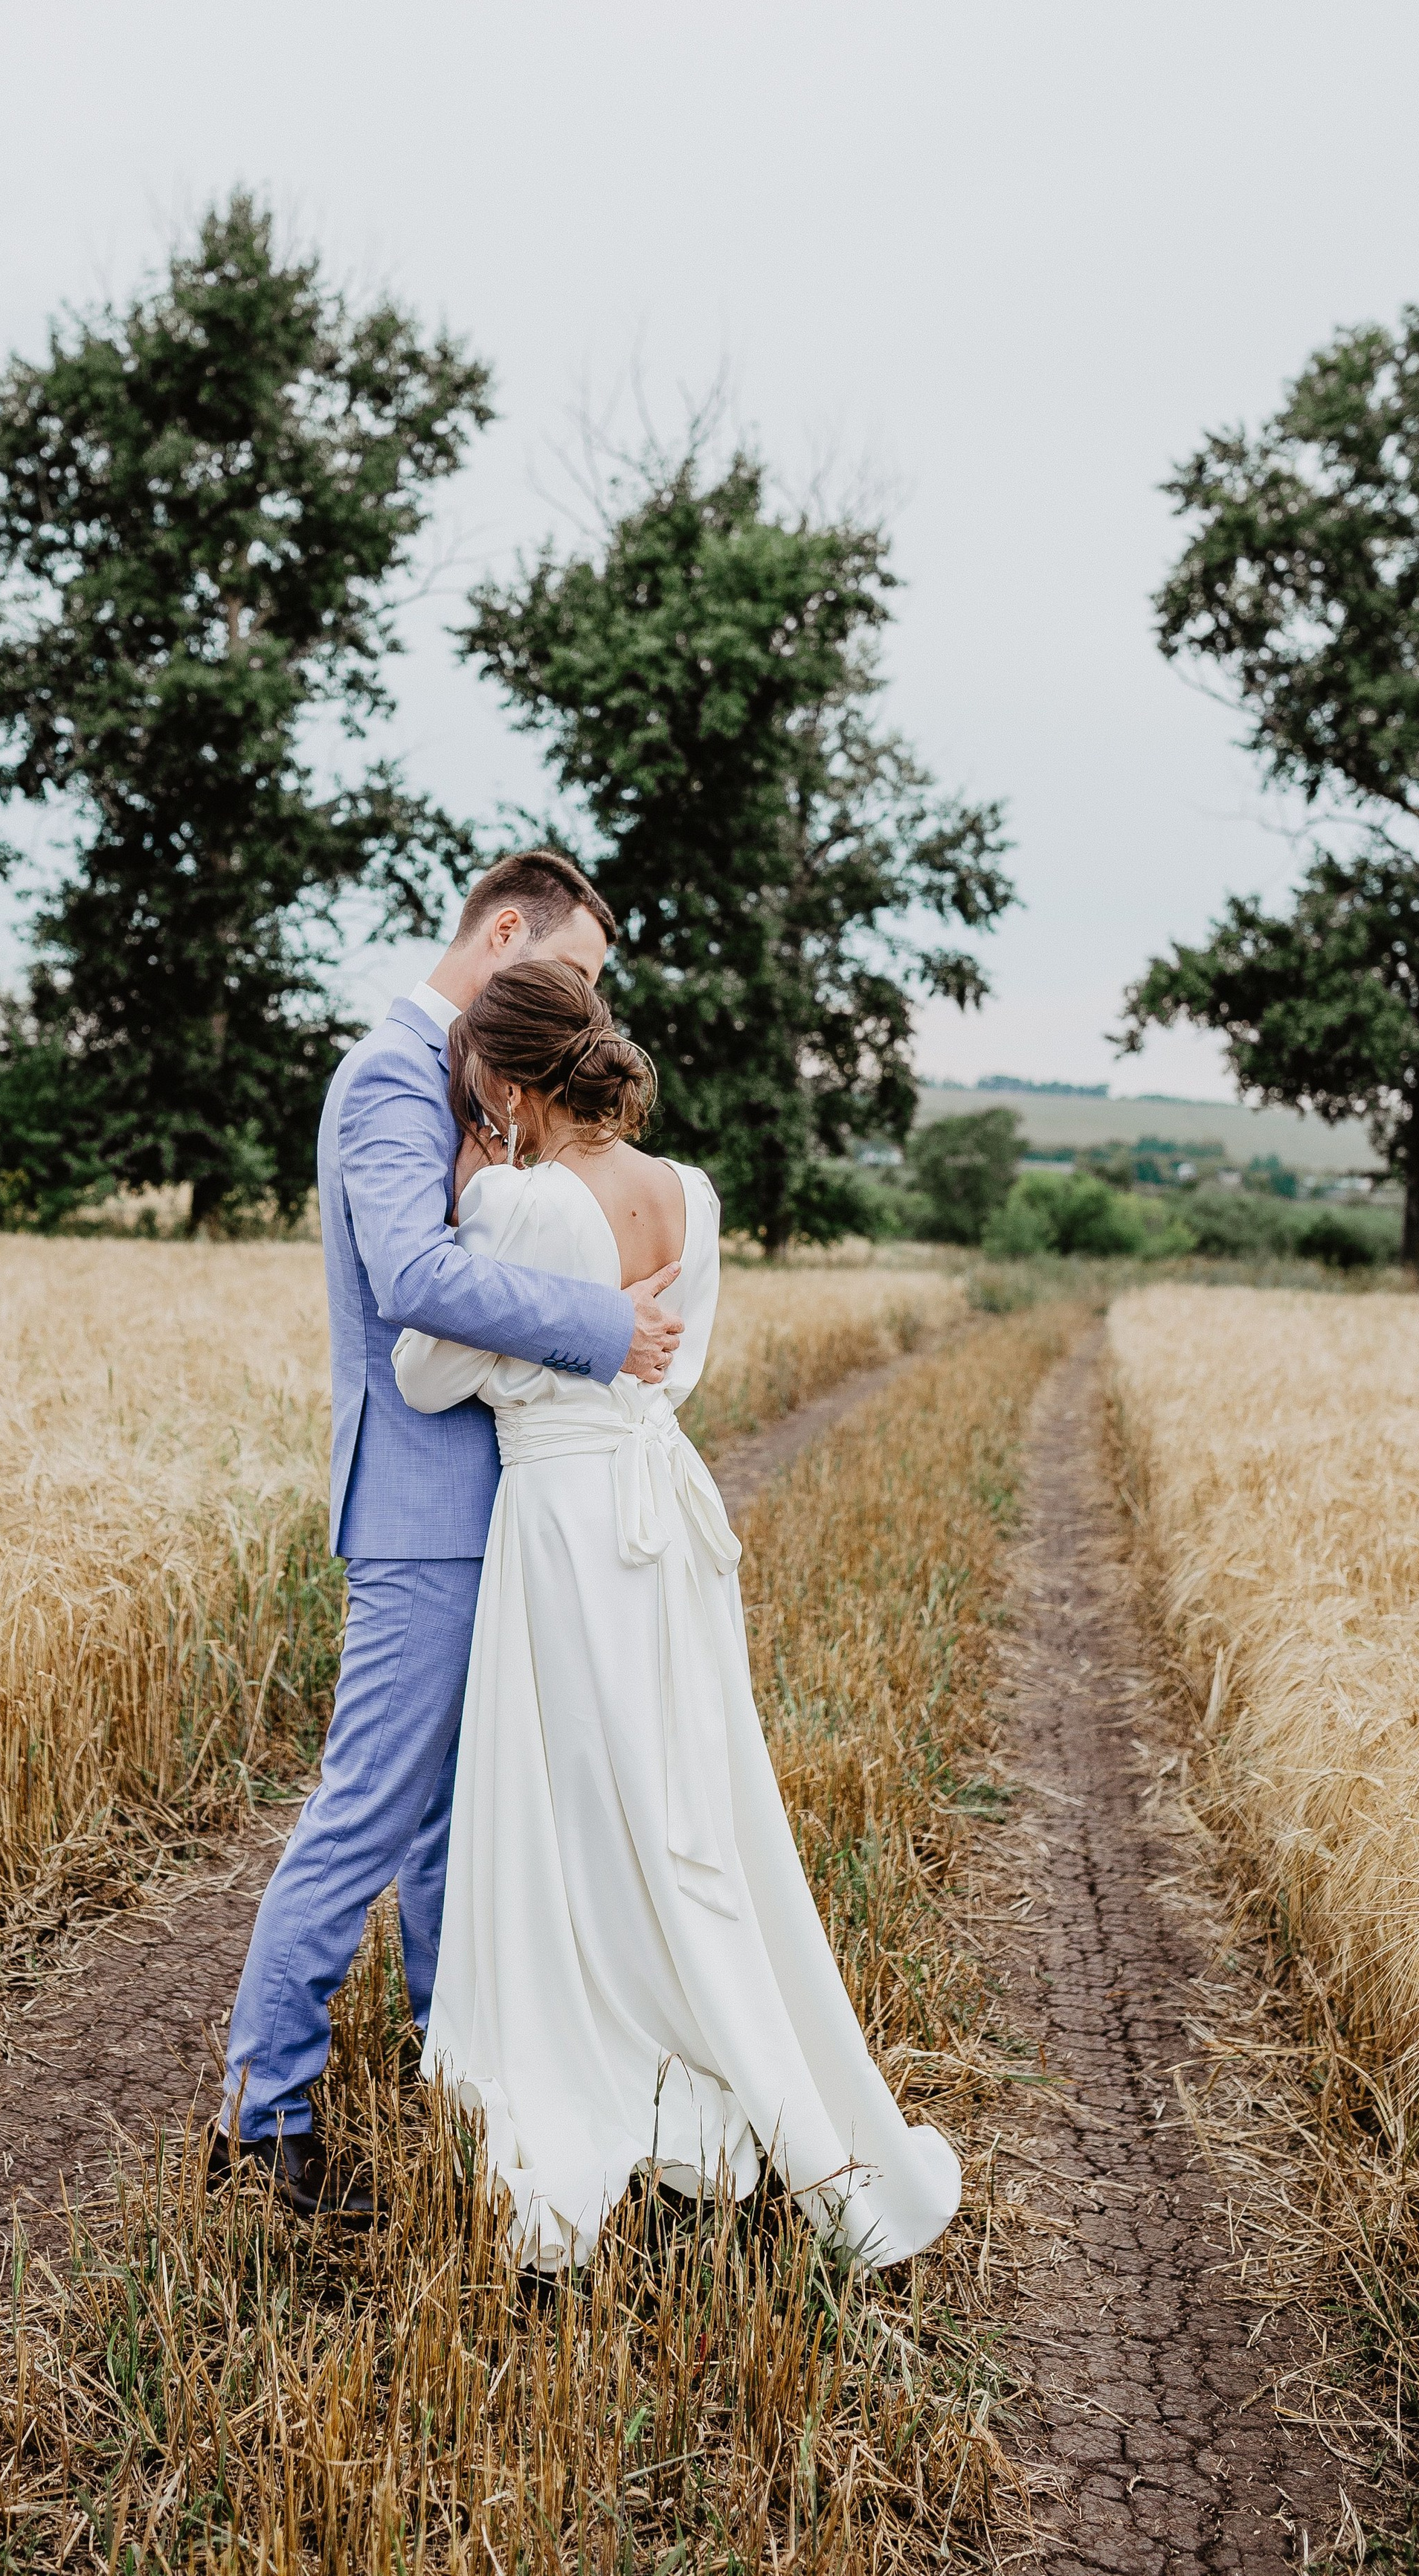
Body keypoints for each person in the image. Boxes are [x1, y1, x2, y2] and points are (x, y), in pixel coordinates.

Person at [393, 958, 962, 2274]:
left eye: (477, 1077)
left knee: (576, 1796)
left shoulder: (518, 1204)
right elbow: (674, 1364)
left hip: (563, 1523)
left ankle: (613, 2040)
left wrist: (486, 1223)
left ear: (508, 1082)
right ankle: (721, 2050)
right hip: (660, 1513)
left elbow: (425, 1372)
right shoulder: (690, 1196)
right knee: (679, 1791)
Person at [211, 852, 687, 2221]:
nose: (584, 1011)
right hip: (423, 1514)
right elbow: (411, 1275)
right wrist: (604, 1325)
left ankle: (461, 2075)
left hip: (493, 1506)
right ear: (505, 931)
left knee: (451, 1826)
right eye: (574, 973)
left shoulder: (475, 1087)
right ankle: (262, 2117)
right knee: (366, 1810)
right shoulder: (388, 1076)